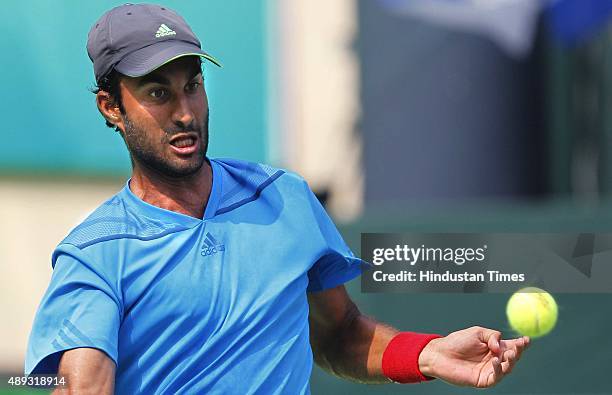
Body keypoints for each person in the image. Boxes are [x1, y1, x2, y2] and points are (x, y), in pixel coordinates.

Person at [26, 3, 529, 394]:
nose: (185, 112)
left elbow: (340, 334)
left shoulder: (284, 198)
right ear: (110, 106)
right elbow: (80, 383)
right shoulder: (95, 255)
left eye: (193, 86)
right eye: (158, 93)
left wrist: (431, 353)